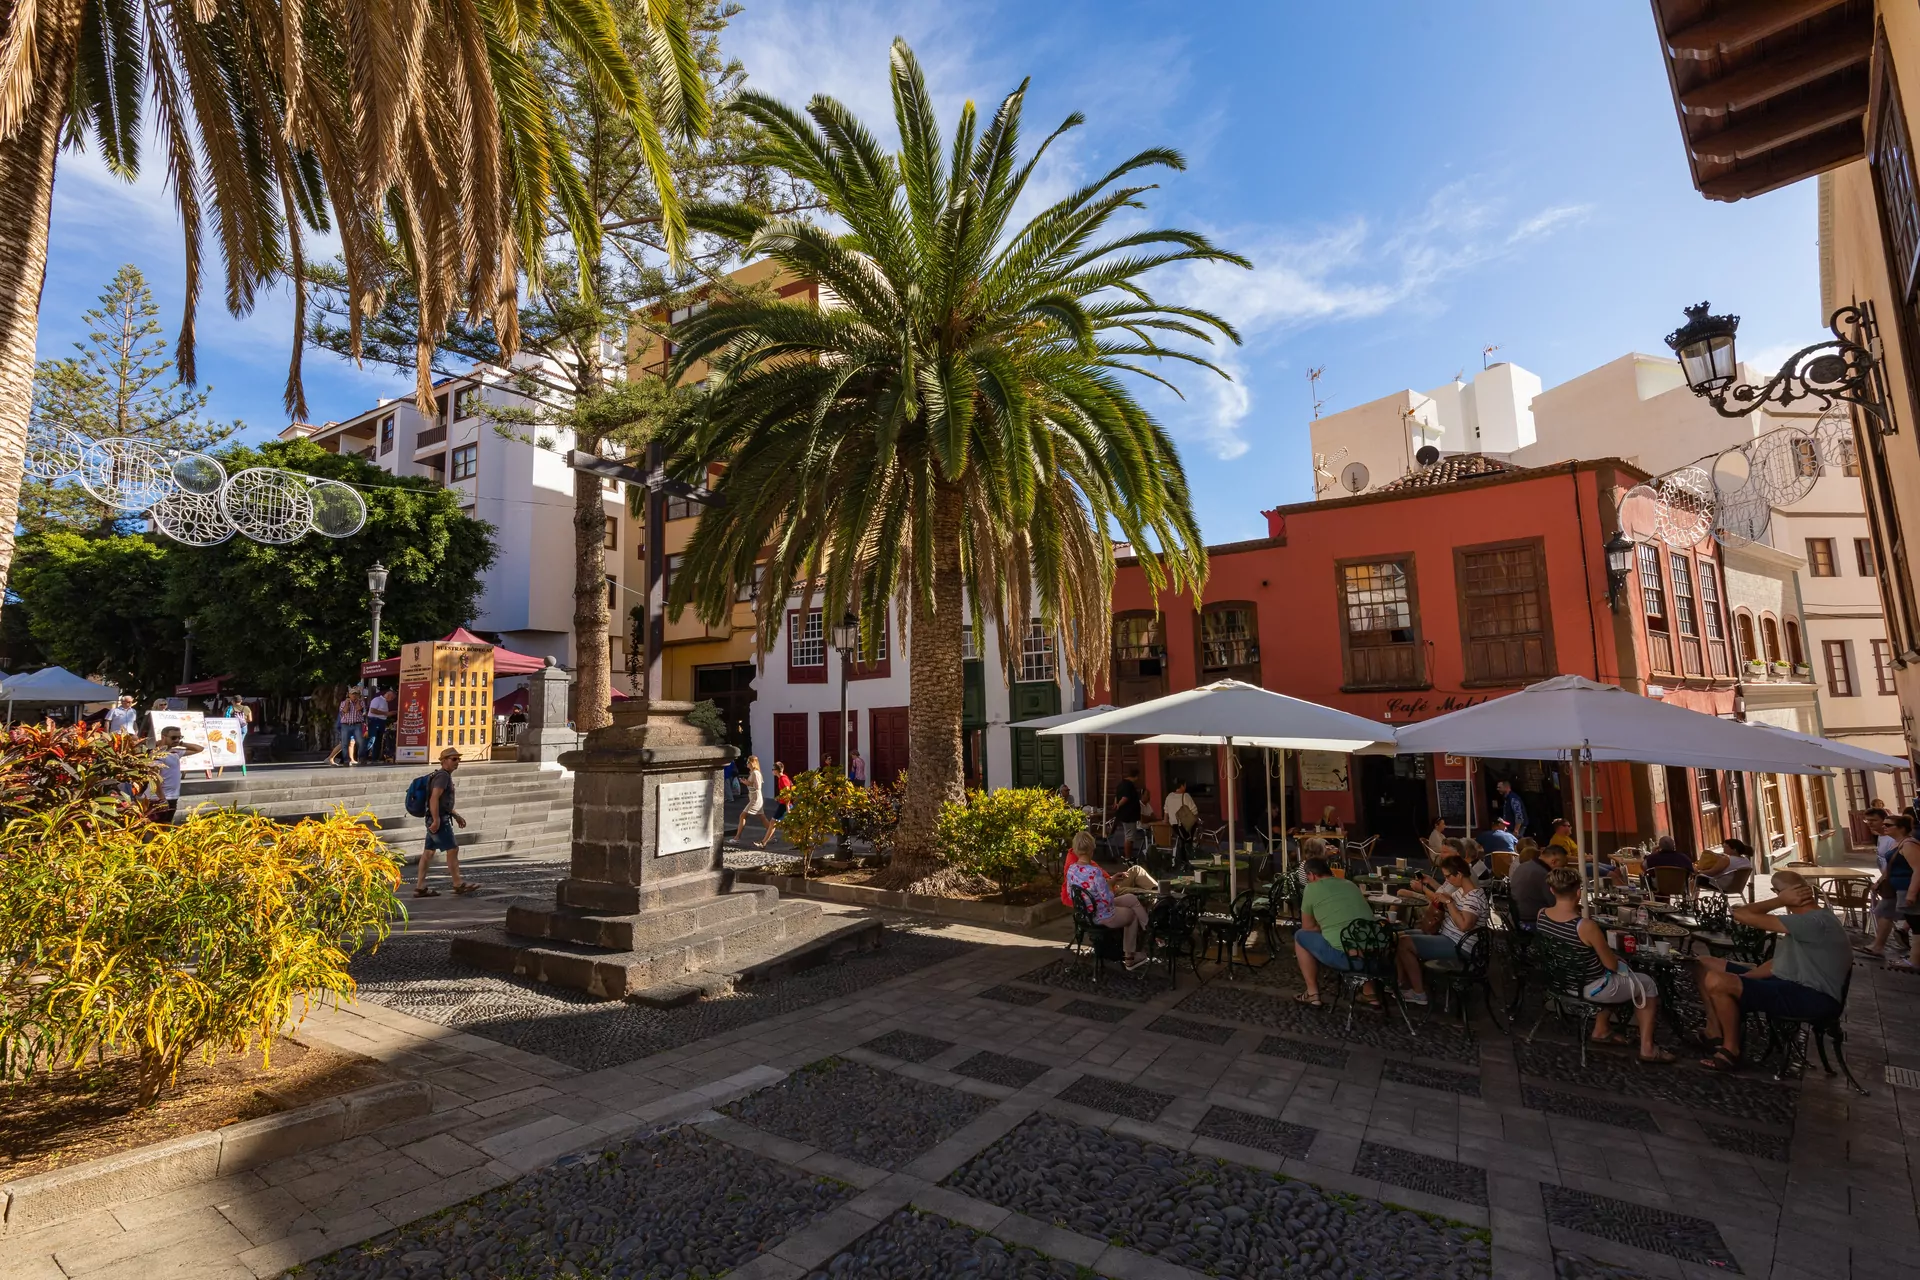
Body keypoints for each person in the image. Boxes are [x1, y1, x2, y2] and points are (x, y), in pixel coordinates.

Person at [1695, 869, 1853, 1070]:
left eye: (1776, 891)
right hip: (1789, 983)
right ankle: (1714, 1031)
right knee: (1703, 964)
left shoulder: (1812, 922)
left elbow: (1740, 914)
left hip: (1812, 997)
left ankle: (1730, 1050)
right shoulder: (1808, 921)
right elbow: (1778, 964)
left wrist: (1779, 901)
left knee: (1717, 981)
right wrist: (1744, 977)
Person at [1535, 866, 1675, 1063]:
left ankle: (1601, 1028)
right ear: (1578, 892)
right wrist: (1616, 958)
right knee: (1647, 983)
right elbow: (1611, 966)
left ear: (1552, 890)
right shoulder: (1585, 926)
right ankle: (1647, 1047)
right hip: (1589, 988)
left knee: (1607, 976)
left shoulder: (1541, 915)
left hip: (1560, 982)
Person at [1394, 856, 1489, 1004]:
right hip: (1448, 937)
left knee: (1403, 943)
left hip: (1460, 946)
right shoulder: (1461, 891)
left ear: (1459, 874)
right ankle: (1401, 983)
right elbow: (1445, 904)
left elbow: (1464, 925)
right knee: (1397, 936)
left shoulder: (1474, 897)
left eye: (1448, 876)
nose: (1447, 880)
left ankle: (1418, 993)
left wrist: (1449, 902)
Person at [1292, 856, 1377, 1008]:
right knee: (1358, 934)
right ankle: (1370, 993)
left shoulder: (1312, 888)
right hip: (1376, 956)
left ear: (1311, 875)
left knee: (1300, 936)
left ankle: (1313, 994)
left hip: (1345, 958)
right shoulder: (1350, 884)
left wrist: (1326, 926)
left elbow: (1307, 927)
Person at [1063, 830, 1151, 971]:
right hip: (1101, 915)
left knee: (1131, 898)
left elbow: (1070, 893)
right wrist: (1109, 885)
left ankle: (1150, 928)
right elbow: (1108, 900)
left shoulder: (1072, 869)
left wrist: (1108, 883)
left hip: (1087, 912)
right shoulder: (1094, 872)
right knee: (1132, 914)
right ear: (1092, 848)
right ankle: (1130, 958)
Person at [417, 747, 474, 897]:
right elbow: (434, 798)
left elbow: (442, 802)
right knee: (453, 849)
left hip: (436, 817)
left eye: (458, 759)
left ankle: (420, 886)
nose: (457, 762)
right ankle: (458, 883)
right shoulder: (443, 777)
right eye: (453, 759)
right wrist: (436, 820)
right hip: (439, 819)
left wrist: (455, 815)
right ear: (443, 761)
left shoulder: (441, 775)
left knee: (428, 852)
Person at [1878, 814, 1920, 970]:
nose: (1884, 827)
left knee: (1916, 925)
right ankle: (1915, 958)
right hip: (1901, 888)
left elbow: (1918, 869)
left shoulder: (1908, 844)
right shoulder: (1897, 843)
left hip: (1909, 888)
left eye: (1888, 825)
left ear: (1902, 828)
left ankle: (1915, 962)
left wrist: (1912, 892)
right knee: (1915, 923)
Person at [1865, 811, 1908, 959]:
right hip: (1891, 882)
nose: (1870, 823)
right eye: (1867, 820)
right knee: (1885, 912)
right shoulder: (1882, 837)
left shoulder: (1893, 839)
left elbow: (1893, 863)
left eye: (1874, 820)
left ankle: (1878, 946)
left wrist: (1881, 880)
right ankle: (1879, 944)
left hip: (1897, 883)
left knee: (1884, 912)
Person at [149, 726, 204, 823]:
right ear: (163, 737)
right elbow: (154, 778)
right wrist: (162, 798)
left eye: (179, 737)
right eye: (174, 738)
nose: (177, 740)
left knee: (166, 826)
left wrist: (181, 743)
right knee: (154, 828)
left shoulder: (175, 752)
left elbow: (199, 749)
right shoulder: (156, 754)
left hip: (172, 796)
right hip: (159, 798)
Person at [1508, 840, 1568, 926]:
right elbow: (1555, 903)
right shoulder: (1543, 873)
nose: (1562, 869)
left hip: (1518, 916)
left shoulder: (1524, 866)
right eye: (1562, 866)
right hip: (1531, 919)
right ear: (1554, 861)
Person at [735, 755, 775, 846]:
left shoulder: (755, 773)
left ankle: (737, 837)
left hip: (755, 798)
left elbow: (757, 787)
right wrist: (747, 782)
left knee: (742, 815)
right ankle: (772, 836)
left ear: (753, 763)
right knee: (762, 817)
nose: (747, 764)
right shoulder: (753, 772)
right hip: (754, 797)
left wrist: (747, 783)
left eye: (748, 762)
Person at [1164, 779, 1199, 867]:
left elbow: (1166, 811)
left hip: (1174, 826)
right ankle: (1187, 861)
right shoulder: (1186, 796)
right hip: (1185, 825)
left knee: (1182, 841)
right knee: (1187, 842)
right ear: (1182, 786)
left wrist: (1165, 821)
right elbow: (1194, 811)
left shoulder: (1169, 796)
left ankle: (1182, 862)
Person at [1113, 768, 1146, 859]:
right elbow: (1125, 797)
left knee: (1128, 835)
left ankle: (1128, 856)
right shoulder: (1129, 785)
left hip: (1124, 815)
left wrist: (1116, 804)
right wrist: (1118, 805)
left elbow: (1117, 796)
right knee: (1129, 837)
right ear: (1136, 776)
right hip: (1129, 815)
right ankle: (1128, 857)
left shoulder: (1121, 784)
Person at [363, 687, 389, 763]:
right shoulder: (377, 699)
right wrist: (385, 713)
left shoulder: (385, 702)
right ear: (387, 695)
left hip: (382, 721)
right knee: (371, 739)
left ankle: (375, 758)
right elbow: (372, 710)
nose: (391, 699)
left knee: (378, 740)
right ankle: (363, 757)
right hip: (374, 720)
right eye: (391, 697)